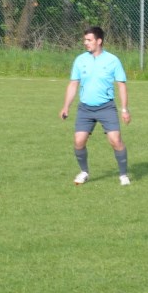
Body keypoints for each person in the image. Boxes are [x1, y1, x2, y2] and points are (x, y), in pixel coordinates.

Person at [59, 26, 131, 186]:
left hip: (106, 107)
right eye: (85, 40)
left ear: (99, 41)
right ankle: (84, 172)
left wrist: (124, 109)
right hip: (85, 108)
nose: (86, 43)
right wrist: (66, 106)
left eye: (89, 40)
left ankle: (123, 175)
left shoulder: (112, 60)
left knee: (115, 140)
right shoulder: (80, 60)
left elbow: (121, 85)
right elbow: (73, 84)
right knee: (79, 141)